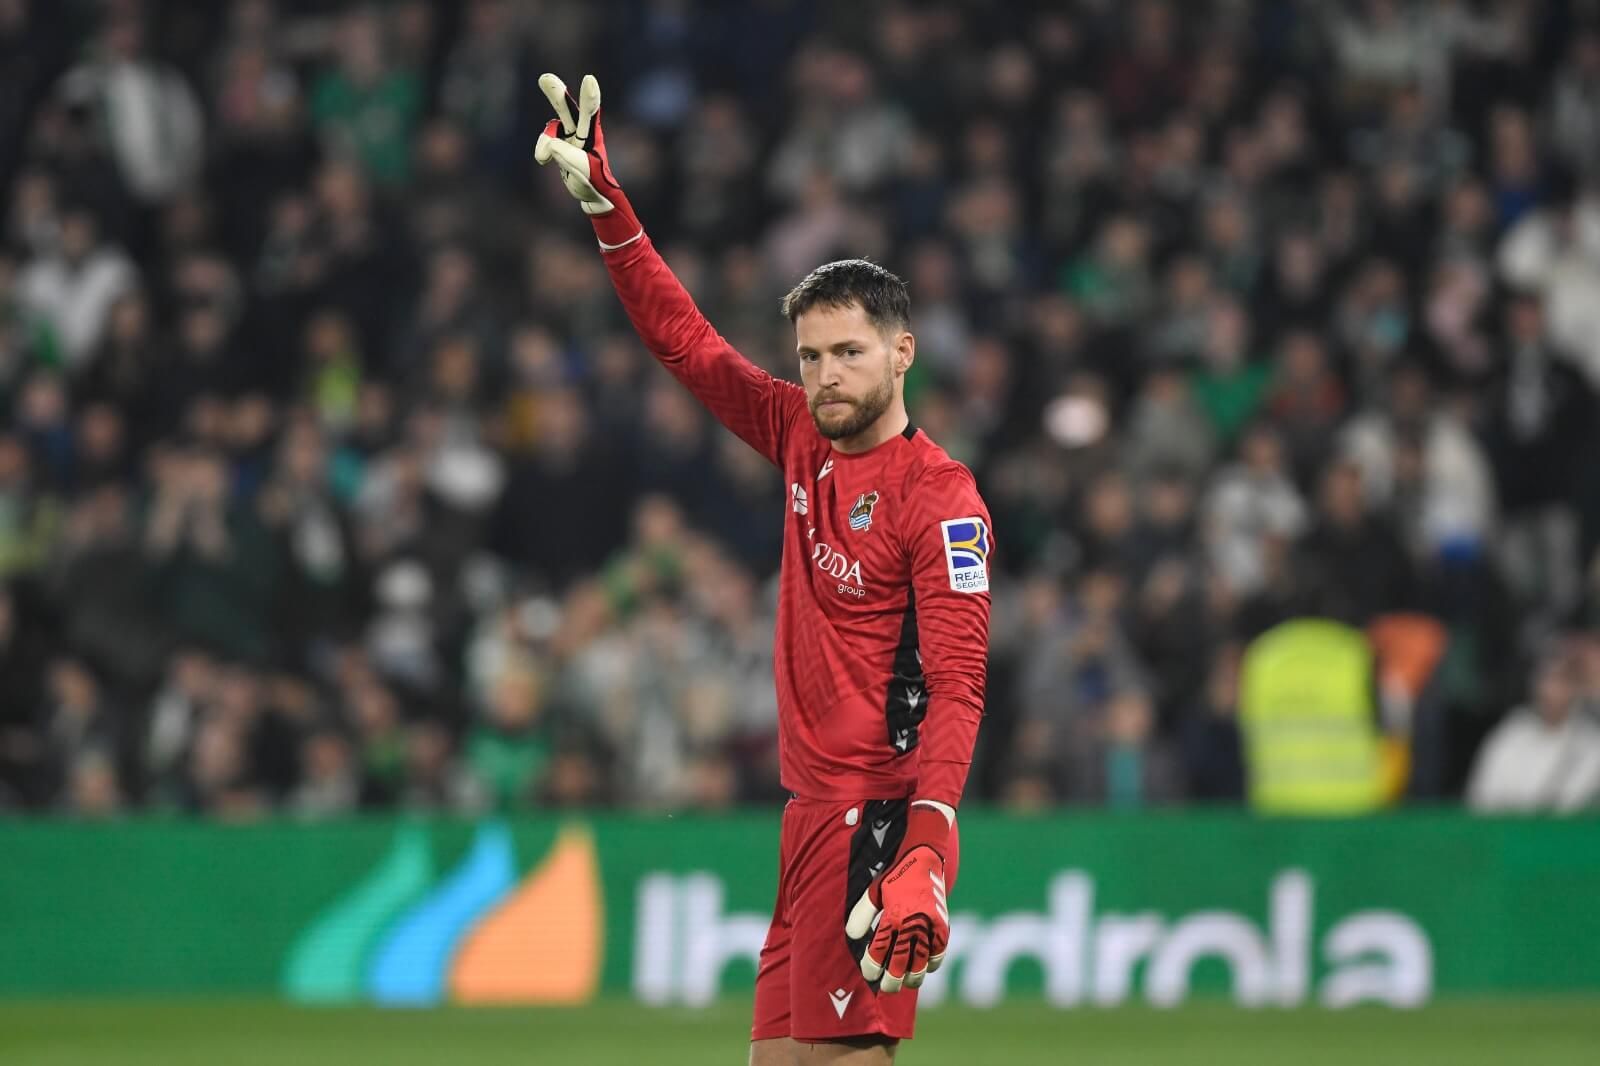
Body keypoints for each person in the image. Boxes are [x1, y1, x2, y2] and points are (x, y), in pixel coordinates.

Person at [535, 75, 993, 1063]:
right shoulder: (797, 434)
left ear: (903, 352)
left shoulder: (941, 499)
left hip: (871, 821)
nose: (825, 375)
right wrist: (610, 210)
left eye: (848, 353)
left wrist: (927, 848)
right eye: (811, 355)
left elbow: (958, 686)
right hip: (805, 822)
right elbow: (685, 344)